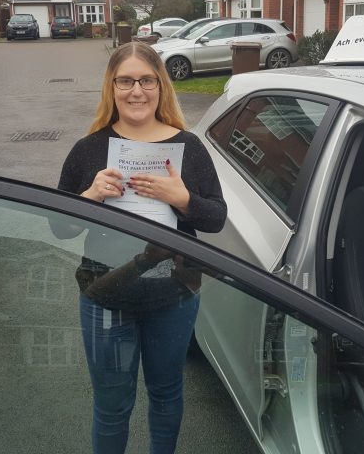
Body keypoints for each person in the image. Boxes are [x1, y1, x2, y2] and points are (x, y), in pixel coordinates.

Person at [57, 41, 227, 454]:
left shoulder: (188, 147)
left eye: (147, 80)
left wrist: (183, 199)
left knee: (167, 394)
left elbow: (216, 219)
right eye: (126, 81)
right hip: (106, 294)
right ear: (111, 87)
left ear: (161, 86)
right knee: (112, 406)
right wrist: (91, 195)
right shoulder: (89, 149)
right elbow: (59, 227)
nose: (137, 91)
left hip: (173, 294)